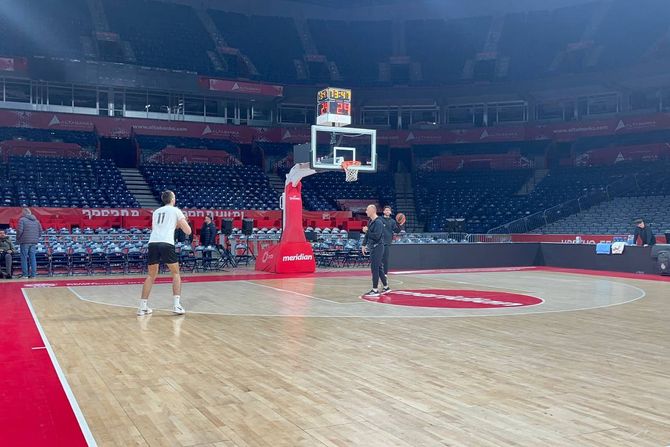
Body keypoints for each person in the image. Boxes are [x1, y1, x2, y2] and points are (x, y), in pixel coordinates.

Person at [138, 190, 192, 316]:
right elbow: (188, 231)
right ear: (173, 199)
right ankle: (177, 306)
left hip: (153, 243)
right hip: (166, 243)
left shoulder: (156, 212)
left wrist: (177, 224)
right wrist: (184, 222)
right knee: (176, 273)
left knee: (151, 275)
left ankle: (142, 307)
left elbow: (158, 228)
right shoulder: (176, 210)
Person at [361, 204, 389, 296]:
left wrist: (367, 231)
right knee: (379, 268)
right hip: (373, 247)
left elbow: (376, 236)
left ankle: (375, 289)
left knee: (375, 268)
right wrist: (363, 244)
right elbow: (368, 235)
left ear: (372, 211)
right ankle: (386, 287)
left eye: (367, 210)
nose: (366, 212)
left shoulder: (378, 222)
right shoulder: (371, 221)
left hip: (378, 247)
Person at [16, 208, 42, 278]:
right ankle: (33, 275)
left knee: (24, 258)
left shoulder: (22, 220)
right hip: (34, 242)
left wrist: (17, 238)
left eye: (22, 212)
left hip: (24, 241)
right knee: (33, 258)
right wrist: (36, 238)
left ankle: (25, 275)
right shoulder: (37, 221)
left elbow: (20, 231)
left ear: (24, 213)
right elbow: (40, 231)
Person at [380, 205, 404, 275]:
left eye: (389, 210)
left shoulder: (393, 221)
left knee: (385, 260)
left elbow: (396, 231)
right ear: (383, 211)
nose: (387, 211)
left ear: (390, 212)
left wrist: (400, 224)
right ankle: (378, 273)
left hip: (387, 243)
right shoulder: (379, 219)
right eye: (386, 210)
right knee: (378, 259)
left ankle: (385, 274)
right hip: (379, 242)